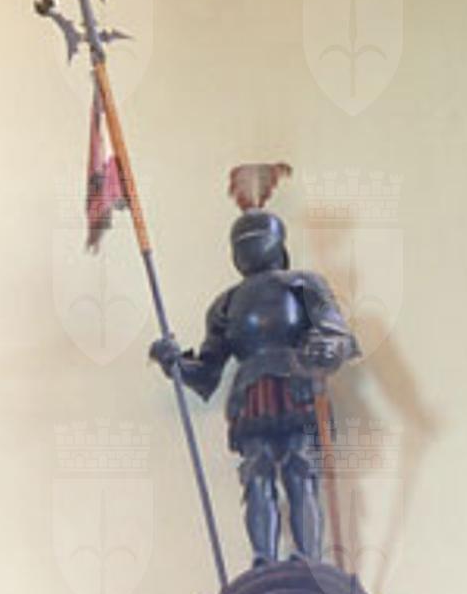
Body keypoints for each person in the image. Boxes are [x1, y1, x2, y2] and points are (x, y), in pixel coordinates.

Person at [150, 208, 357, 569]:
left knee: (299, 465)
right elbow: (208, 368)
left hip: (297, 380)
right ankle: (264, 556)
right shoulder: (226, 304)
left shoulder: (303, 283)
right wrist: (175, 363)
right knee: (257, 471)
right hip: (250, 392)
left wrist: (325, 348)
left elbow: (336, 333)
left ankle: (308, 555)